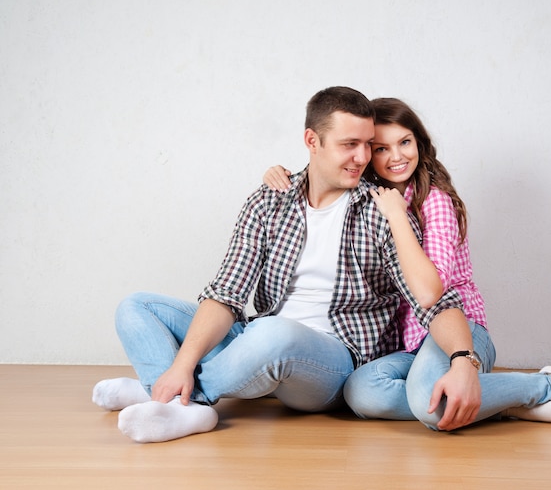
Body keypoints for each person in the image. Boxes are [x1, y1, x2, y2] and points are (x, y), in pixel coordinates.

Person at [92, 86, 464, 443]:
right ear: (312, 141)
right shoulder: (269, 201)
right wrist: (180, 366)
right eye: (349, 145)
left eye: (368, 145)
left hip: (333, 360)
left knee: (275, 334)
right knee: (137, 307)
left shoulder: (382, 210)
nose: (364, 158)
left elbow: (432, 302)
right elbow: (226, 294)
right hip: (258, 339)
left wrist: (463, 359)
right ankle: (171, 395)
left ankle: (171, 399)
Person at [263, 97, 551, 431]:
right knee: (361, 392)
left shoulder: (434, 202)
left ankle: (543, 387)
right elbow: (325, 170)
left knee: (430, 405)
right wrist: (283, 175)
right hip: (409, 343)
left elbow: (431, 292)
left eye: (405, 142)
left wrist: (398, 218)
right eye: (381, 148)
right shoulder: (370, 199)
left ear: (420, 142)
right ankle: (507, 404)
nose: (396, 156)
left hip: (459, 331)